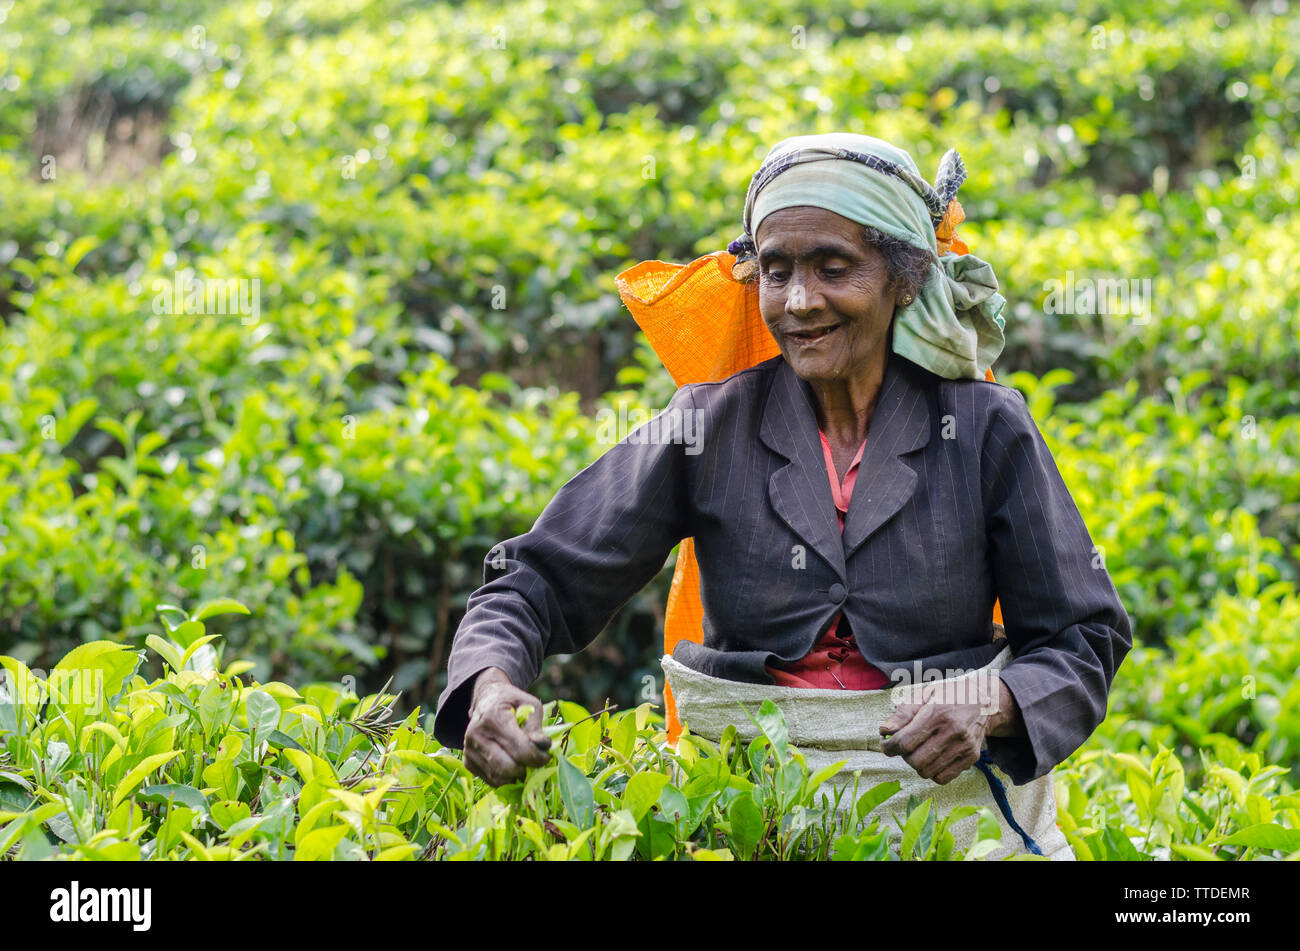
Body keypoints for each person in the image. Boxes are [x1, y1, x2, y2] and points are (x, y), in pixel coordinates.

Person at [433, 133, 1133, 799]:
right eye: (777, 271)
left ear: (905, 279)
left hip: (946, 803)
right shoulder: (708, 425)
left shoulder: (985, 429)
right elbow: (535, 580)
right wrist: (489, 685)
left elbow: (1084, 637)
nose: (799, 300)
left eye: (834, 268)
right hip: (750, 798)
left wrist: (995, 700)